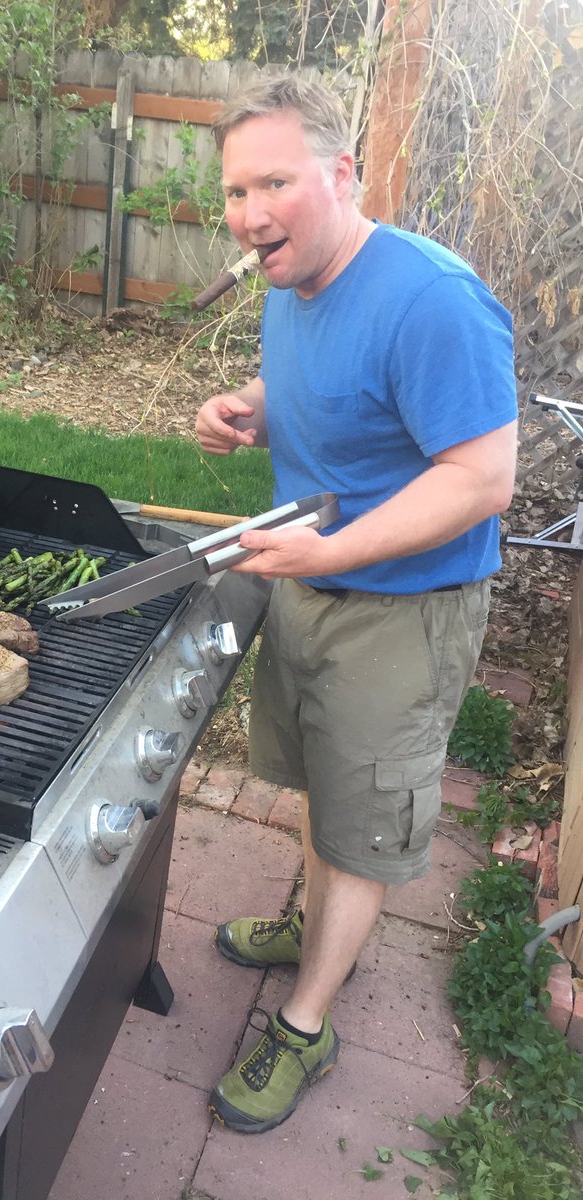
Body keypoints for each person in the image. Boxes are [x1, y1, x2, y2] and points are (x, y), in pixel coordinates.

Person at [194, 73, 518, 1135]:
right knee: (321, 789)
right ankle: (310, 926)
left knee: (365, 822)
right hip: (310, 588)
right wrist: (257, 405)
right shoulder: (294, 284)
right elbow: (340, 391)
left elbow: (479, 478)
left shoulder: (433, 298)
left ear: (342, 173)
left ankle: (308, 1024)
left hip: (401, 614)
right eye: (237, 192)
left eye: (274, 182)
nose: (249, 216)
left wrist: (329, 543)